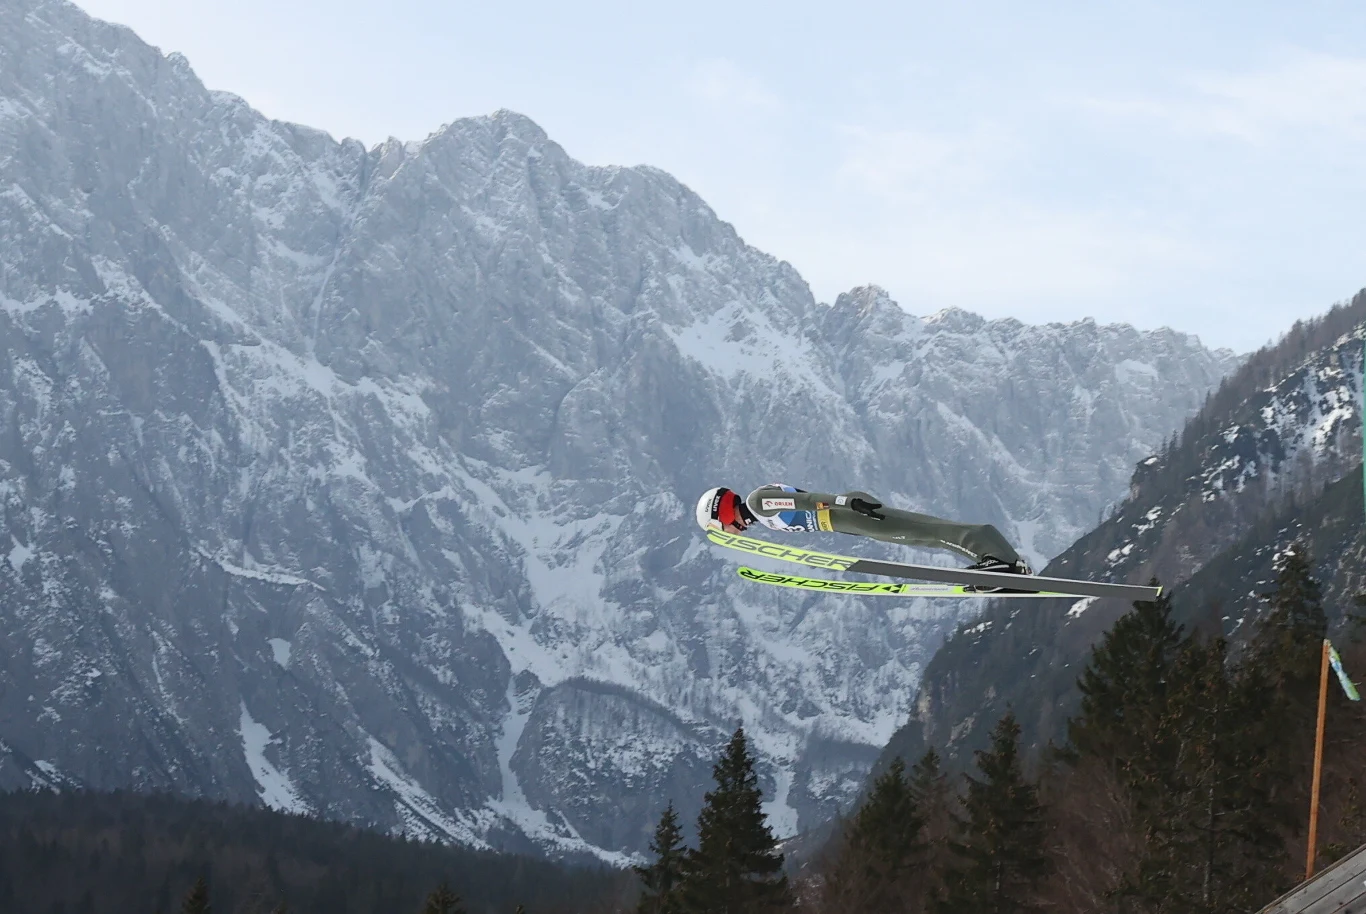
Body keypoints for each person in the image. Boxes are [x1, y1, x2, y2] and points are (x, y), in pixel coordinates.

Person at [695, 483, 1032, 578]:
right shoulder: (758, 512)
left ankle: (997, 557)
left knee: (925, 531)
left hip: (849, 512)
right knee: (924, 535)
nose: (729, 533)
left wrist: (848, 503)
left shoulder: (758, 503)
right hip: (848, 521)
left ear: (721, 514)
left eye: (720, 528)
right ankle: (1004, 565)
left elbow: (808, 502)